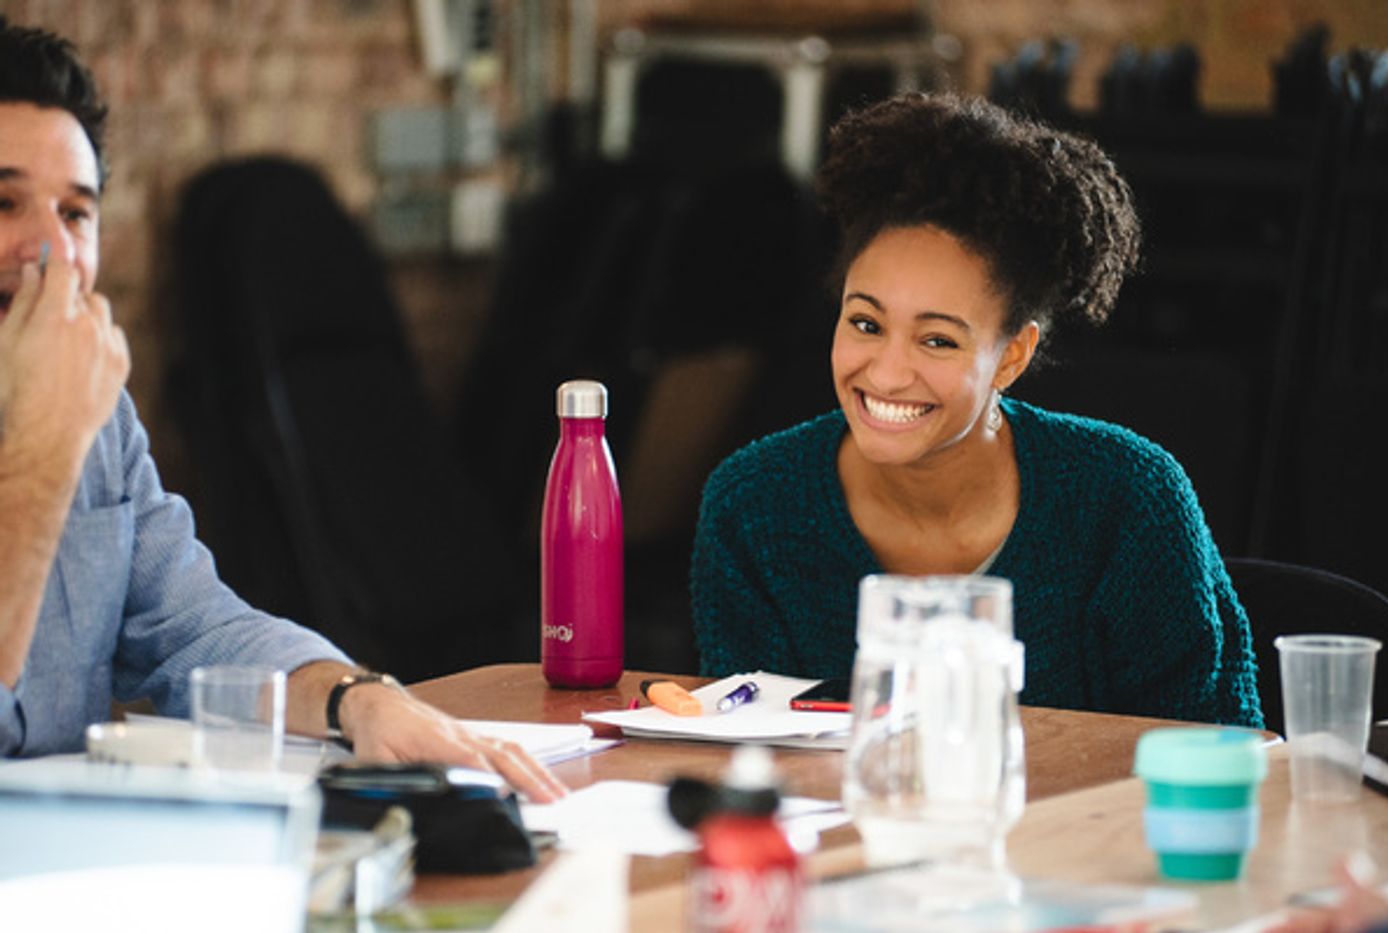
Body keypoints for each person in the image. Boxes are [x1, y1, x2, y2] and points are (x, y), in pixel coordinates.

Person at [0, 16, 565, 801]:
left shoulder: (102, 419)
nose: (48, 252)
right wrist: (39, 452)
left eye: (74, 213)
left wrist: (358, 699)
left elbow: (198, 630)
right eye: (4, 202)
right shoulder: (66, 420)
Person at [690, 92, 1263, 727]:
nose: (885, 371)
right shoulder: (753, 505)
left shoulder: (1127, 499)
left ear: (1013, 356)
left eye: (938, 339)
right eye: (865, 323)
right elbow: (749, 760)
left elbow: (1218, 751)